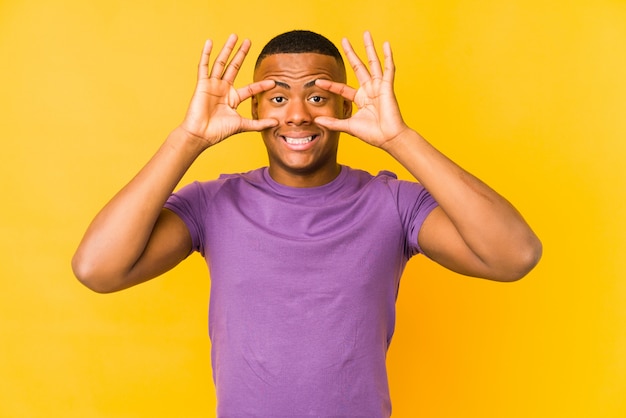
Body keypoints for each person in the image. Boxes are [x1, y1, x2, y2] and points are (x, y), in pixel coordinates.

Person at [72, 30, 542, 417]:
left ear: (344, 108)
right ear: (254, 109)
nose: (297, 114)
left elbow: (514, 255)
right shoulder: (213, 203)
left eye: (318, 95)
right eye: (277, 97)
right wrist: (189, 139)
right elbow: (97, 269)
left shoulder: (394, 203)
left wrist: (400, 139)